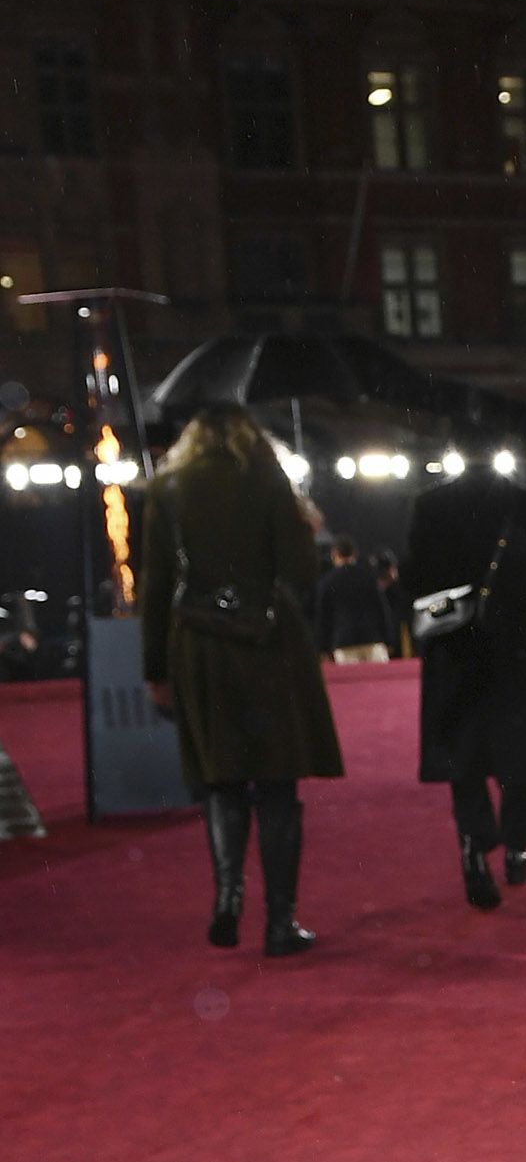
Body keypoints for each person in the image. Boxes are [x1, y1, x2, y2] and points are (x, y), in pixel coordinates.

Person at [139, 405, 341, 954]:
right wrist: (304, 524)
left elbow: (155, 586)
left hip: (200, 650)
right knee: (277, 786)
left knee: (221, 782)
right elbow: (300, 573)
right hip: (268, 647)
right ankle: (280, 922)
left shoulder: (169, 487)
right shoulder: (266, 478)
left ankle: (228, 895)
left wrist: (155, 669)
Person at [404, 469, 526, 906]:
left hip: (455, 650)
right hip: (521, 649)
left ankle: (474, 842)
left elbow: (414, 579)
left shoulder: (430, 506)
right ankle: (516, 849)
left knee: (463, 754)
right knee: (521, 753)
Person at [315, 533, 394, 662]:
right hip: (372, 640)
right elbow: (382, 609)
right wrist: (389, 639)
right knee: (379, 680)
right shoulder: (368, 577)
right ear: (355, 553)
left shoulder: (327, 582)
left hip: (343, 642)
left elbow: (323, 617)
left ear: (334, 554)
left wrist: (323, 648)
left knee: (352, 681)